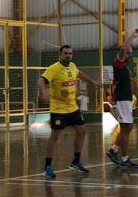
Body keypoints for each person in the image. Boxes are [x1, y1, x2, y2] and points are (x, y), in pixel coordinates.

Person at [38, 45, 100, 179]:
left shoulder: (72, 66)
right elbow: (41, 80)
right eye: (66, 53)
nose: (68, 55)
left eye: (70, 53)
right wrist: (44, 91)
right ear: (60, 54)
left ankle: (76, 161)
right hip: (58, 108)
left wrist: (92, 81)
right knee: (55, 136)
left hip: (72, 107)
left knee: (82, 131)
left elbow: (79, 73)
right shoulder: (54, 68)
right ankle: (48, 166)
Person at [107, 29, 138, 169]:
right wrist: (132, 36)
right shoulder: (118, 63)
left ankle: (114, 149)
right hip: (121, 100)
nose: (129, 55)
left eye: (130, 53)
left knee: (128, 127)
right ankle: (125, 158)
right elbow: (124, 48)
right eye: (127, 53)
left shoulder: (124, 67)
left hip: (126, 100)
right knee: (125, 127)